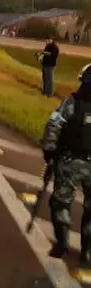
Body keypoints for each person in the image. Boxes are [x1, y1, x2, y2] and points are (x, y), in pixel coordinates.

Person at [40, 63, 91, 262]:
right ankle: (87, 251)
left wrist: (49, 152)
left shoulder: (72, 102)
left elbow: (53, 125)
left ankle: (62, 244)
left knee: (61, 203)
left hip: (70, 163)